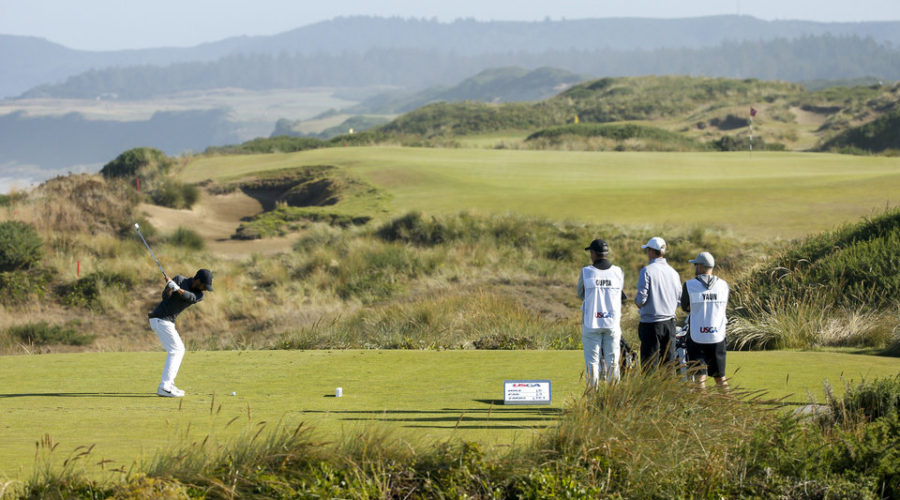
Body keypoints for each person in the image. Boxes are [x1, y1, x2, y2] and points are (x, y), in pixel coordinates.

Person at [148, 269, 214, 397]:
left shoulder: (199, 295)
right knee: (176, 350)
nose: (205, 289)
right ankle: (165, 387)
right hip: (160, 319)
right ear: (198, 280)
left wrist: (177, 289)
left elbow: (189, 297)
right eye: (204, 286)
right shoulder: (179, 279)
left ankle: (169, 384)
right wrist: (169, 287)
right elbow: (165, 297)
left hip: (165, 321)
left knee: (178, 350)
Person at [577, 238, 626, 385]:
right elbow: (620, 296)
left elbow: (580, 294)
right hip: (612, 323)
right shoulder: (618, 272)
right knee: (613, 362)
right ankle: (613, 399)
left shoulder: (587, 272)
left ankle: (592, 398)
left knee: (592, 363)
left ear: (593, 253)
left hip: (592, 322)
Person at [681, 252, 730, 390]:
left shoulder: (689, 285)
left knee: (699, 378)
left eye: (696, 264)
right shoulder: (724, 285)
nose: (695, 267)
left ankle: (701, 409)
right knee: (720, 377)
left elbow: (685, 307)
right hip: (717, 335)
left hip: (697, 335)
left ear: (702, 266)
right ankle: (730, 406)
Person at [634, 236, 682, 372]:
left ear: (651, 251)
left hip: (650, 325)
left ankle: (651, 393)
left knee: (649, 367)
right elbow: (679, 300)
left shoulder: (647, 271)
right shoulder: (674, 273)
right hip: (670, 324)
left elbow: (641, 299)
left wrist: (636, 302)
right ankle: (666, 394)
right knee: (668, 366)